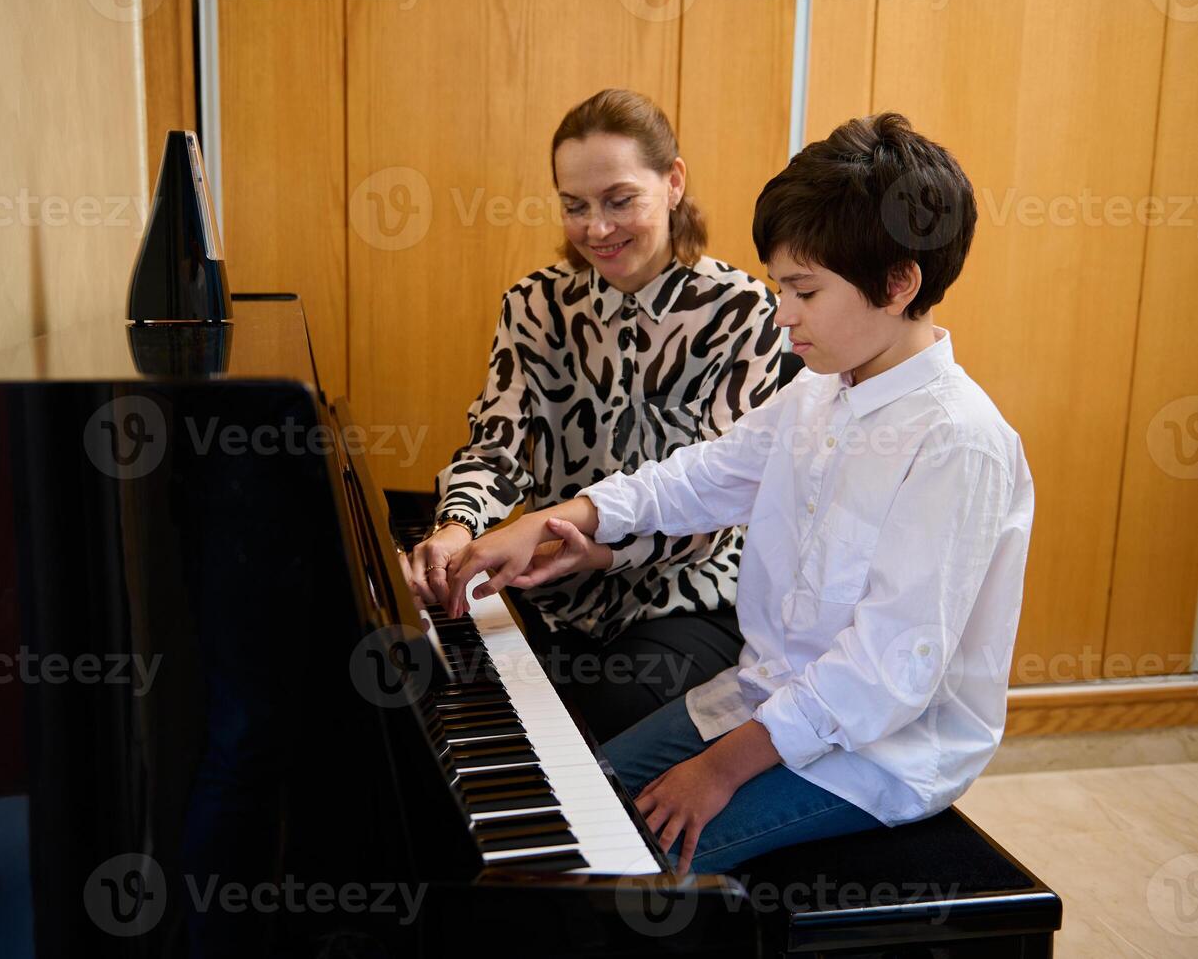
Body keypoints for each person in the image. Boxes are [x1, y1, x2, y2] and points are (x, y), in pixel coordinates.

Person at [443, 113, 1034, 875]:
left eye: (803, 291)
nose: (782, 313)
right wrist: (561, 518)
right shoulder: (823, 392)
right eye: (778, 287)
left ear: (897, 284)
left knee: (611, 863)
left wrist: (718, 769)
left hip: (877, 754)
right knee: (568, 795)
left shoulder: (956, 440)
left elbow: (886, 673)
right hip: (761, 696)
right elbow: (701, 476)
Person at [402, 89, 780, 743]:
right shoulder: (535, 304)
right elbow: (496, 447)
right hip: (548, 590)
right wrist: (456, 527)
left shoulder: (740, 310)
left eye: (618, 199)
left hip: (684, 597)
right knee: (428, 693)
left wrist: (587, 550)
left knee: (580, 726)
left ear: (673, 182)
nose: (596, 229)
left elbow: (721, 501)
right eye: (574, 206)